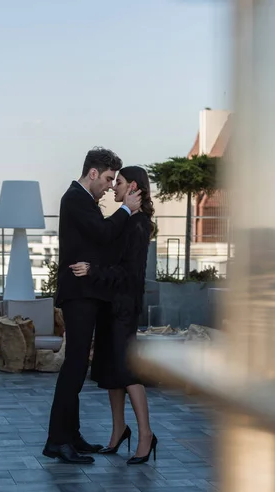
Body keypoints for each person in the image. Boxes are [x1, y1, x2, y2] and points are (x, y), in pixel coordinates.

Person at [43, 148, 142, 464]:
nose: (111, 186)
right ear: (94, 173)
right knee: (73, 367)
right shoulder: (74, 198)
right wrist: (126, 210)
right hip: (79, 295)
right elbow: (102, 233)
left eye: (116, 180)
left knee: (77, 367)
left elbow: (100, 243)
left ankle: (71, 436)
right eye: (110, 178)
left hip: (88, 293)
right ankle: (58, 441)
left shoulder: (85, 202)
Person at [70, 166, 157, 465]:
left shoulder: (139, 224)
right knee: (110, 371)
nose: (114, 188)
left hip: (123, 307)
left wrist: (93, 270)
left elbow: (129, 272)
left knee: (127, 371)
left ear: (132, 185)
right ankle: (119, 430)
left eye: (118, 183)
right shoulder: (128, 219)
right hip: (110, 304)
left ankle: (145, 434)